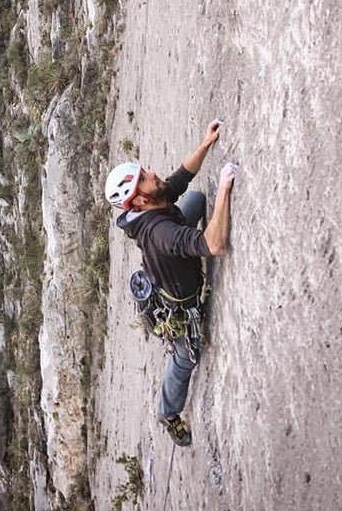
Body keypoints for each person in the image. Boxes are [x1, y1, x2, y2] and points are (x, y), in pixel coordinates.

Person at [105, 120, 237, 447]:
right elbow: (214, 246)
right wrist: (224, 191)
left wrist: (206, 143)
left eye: (146, 171)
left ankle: (189, 236)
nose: (153, 175)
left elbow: (179, 178)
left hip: (168, 262)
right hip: (180, 302)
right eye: (145, 179)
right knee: (186, 357)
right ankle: (168, 412)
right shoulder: (160, 233)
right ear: (138, 202)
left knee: (191, 199)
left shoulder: (154, 200)